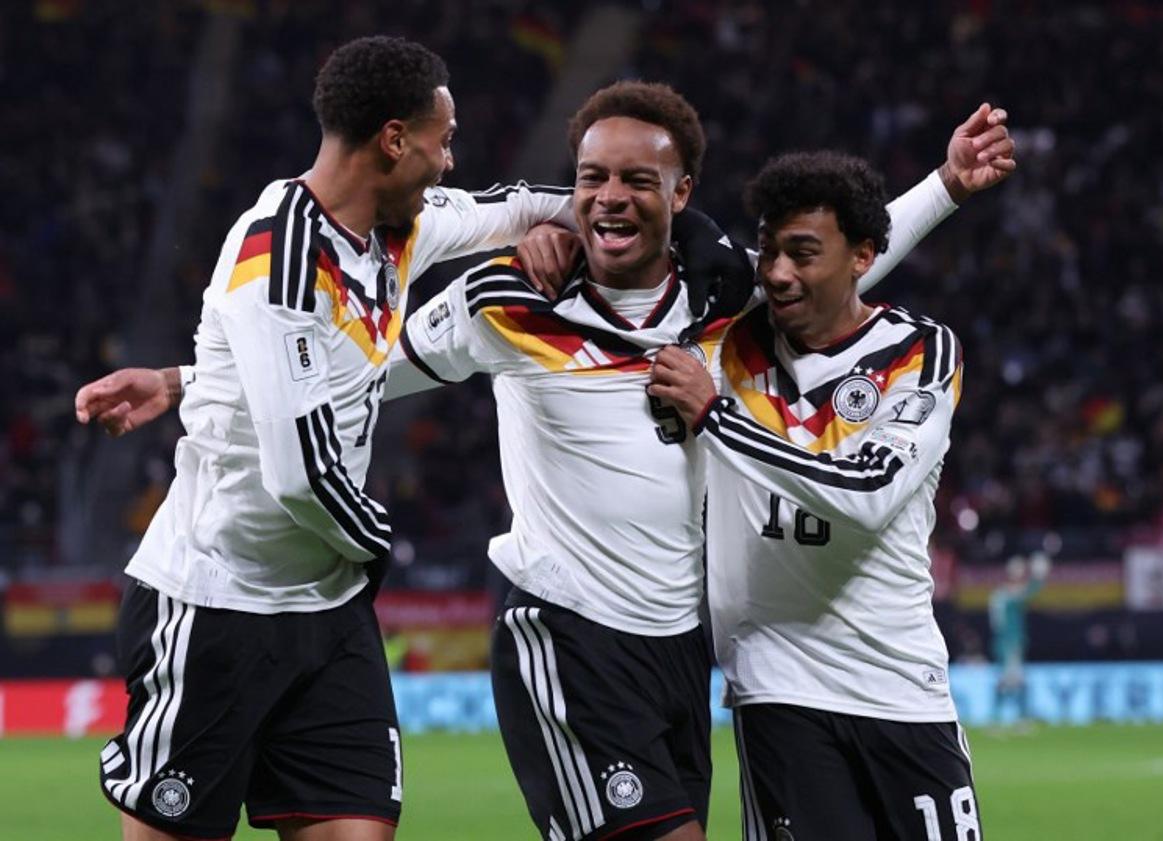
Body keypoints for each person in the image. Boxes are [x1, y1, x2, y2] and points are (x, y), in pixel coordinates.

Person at [79, 83, 1012, 839]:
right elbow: (363, 368)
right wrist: (185, 377)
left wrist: (945, 189)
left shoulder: (723, 296)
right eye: (591, 177)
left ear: (680, 194)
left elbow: (829, 274)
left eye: (638, 181)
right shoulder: (506, 298)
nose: (610, 196)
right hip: (566, 637)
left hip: (680, 651)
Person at [86, 35, 586, 841]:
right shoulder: (277, 261)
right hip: (218, 602)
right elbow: (300, 474)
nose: (449, 161)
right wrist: (380, 547)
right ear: (395, 139)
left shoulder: (399, 226)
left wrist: (616, 214)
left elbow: (519, 203)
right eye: (443, 138)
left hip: (326, 612)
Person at [647, 148, 1014, 840]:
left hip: (902, 684)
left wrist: (714, 417)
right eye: (768, 251)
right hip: (778, 687)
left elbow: (868, 492)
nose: (779, 273)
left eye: (803, 254)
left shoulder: (919, 352)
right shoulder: (727, 344)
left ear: (862, 257)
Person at [989, 552, 1052, 722]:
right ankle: (1008, 718)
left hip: (1010, 642)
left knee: (1012, 681)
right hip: (1009, 643)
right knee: (1011, 681)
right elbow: (1027, 593)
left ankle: (1005, 718)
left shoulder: (1001, 595)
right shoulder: (1006, 595)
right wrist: (1038, 577)